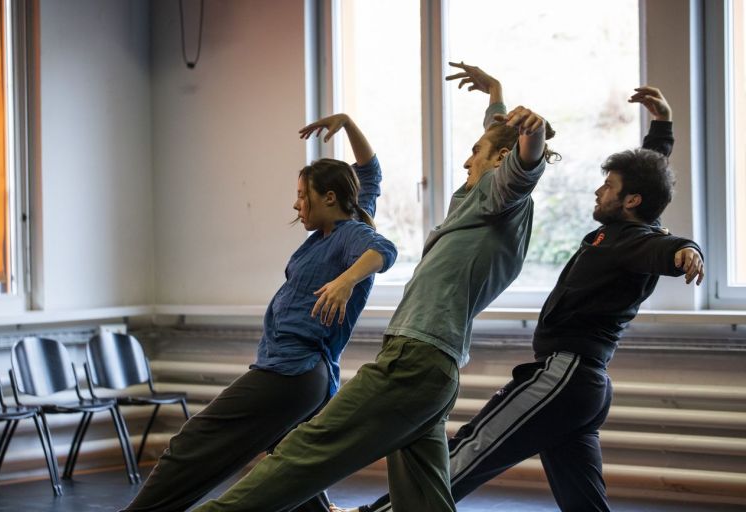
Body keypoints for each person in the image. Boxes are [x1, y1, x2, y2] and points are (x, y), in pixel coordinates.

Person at [190, 61, 558, 512]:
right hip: (431, 371)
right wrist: (496, 94)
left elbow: (521, 162)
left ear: (500, 161)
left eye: (475, 150)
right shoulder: (477, 202)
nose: (466, 159)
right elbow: (498, 141)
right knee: (423, 499)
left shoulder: (503, 198)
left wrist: (532, 134)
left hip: (414, 362)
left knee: (303, 452)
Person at [335, 86, 705, 512]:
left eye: (608, 187)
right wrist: (662, 127)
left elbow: (663, 248)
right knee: (584, 502)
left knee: (470, 451)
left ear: (630, 202)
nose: (598, 192)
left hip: (563, 376)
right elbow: (651, 184)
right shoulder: (632, 225)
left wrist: (685, 252)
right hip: (585, 387)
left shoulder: (635, 242)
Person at [121, 113, 398, 512]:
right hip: (303, 375)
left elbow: (384, 250)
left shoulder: (350, 234)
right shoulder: (343, 222)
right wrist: (349, 125)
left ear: (330, 198)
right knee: (289, 462)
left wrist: (345, 282)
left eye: (304, 194)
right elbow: (370, 173)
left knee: (195, 442)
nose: (296, 203)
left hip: (291, 371)